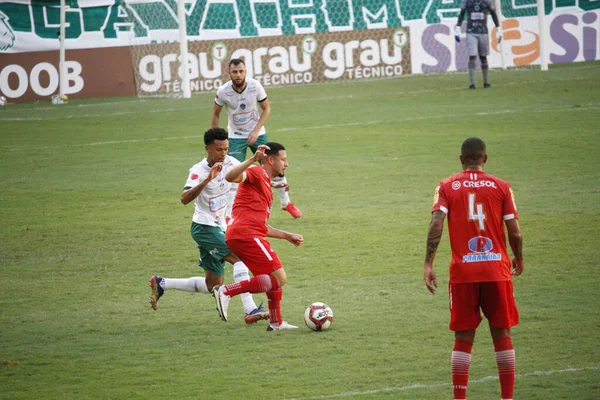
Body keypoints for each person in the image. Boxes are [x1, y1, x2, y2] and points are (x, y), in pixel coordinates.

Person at [423, 137, 524, 400]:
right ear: (485, 159)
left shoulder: (446, 186)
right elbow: (515, 232)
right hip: (496, 271)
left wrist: (428, 263)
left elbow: (436, 225)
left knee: (463, 336)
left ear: (461, 160)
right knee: (501, 332)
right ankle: (507, 398)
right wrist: (518, 257)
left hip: (463, 274)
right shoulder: (502, 186)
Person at [149, 127, 268, 325]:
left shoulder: (231, 163)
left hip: (220, 227)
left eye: (226, 149)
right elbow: (184, 199)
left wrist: (255, 161)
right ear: (208, 149)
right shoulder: (198, 171)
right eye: (219, 150)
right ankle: (250, 309)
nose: (223, 154)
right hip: (204, 227)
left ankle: (162, 283)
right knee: (241, 257)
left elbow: (246, 179)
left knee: (212, 285)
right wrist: (207, 180)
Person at [213, 142, 304, 331]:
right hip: (245, 235)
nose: (286, 164)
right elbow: (230, 176)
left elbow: (262, 226)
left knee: (271, 278)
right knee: (279, 277)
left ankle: (276, 322)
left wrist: (287, 235)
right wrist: (253, 159)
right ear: (270, 160)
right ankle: (226, 291)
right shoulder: (257, 172)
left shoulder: (265, 185)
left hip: (243, 235)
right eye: (283, 160)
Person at [211, 58, 302, 219]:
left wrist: (255, 130)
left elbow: (266, 109)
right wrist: (214, 139)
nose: (238, 75)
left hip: (258, 134)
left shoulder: (255, 86)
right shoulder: (223, 91)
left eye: (241, 71)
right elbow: (216, 114)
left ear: (245, 71)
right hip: (235, 136)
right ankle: (228, 214)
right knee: (232, 174)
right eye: (235, 72)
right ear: (229, 73)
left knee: (277, 163)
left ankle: (286, 203)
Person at [455, 0, 502, 89]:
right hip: (471, 32)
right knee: (472, 56)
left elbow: (493, 13)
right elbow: (462, 13)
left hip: (483, 32)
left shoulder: (487, 1)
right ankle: (472, 84)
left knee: (483, 57)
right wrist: (458, 28)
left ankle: (486, 82)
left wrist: (498, 29)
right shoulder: (467, 1)